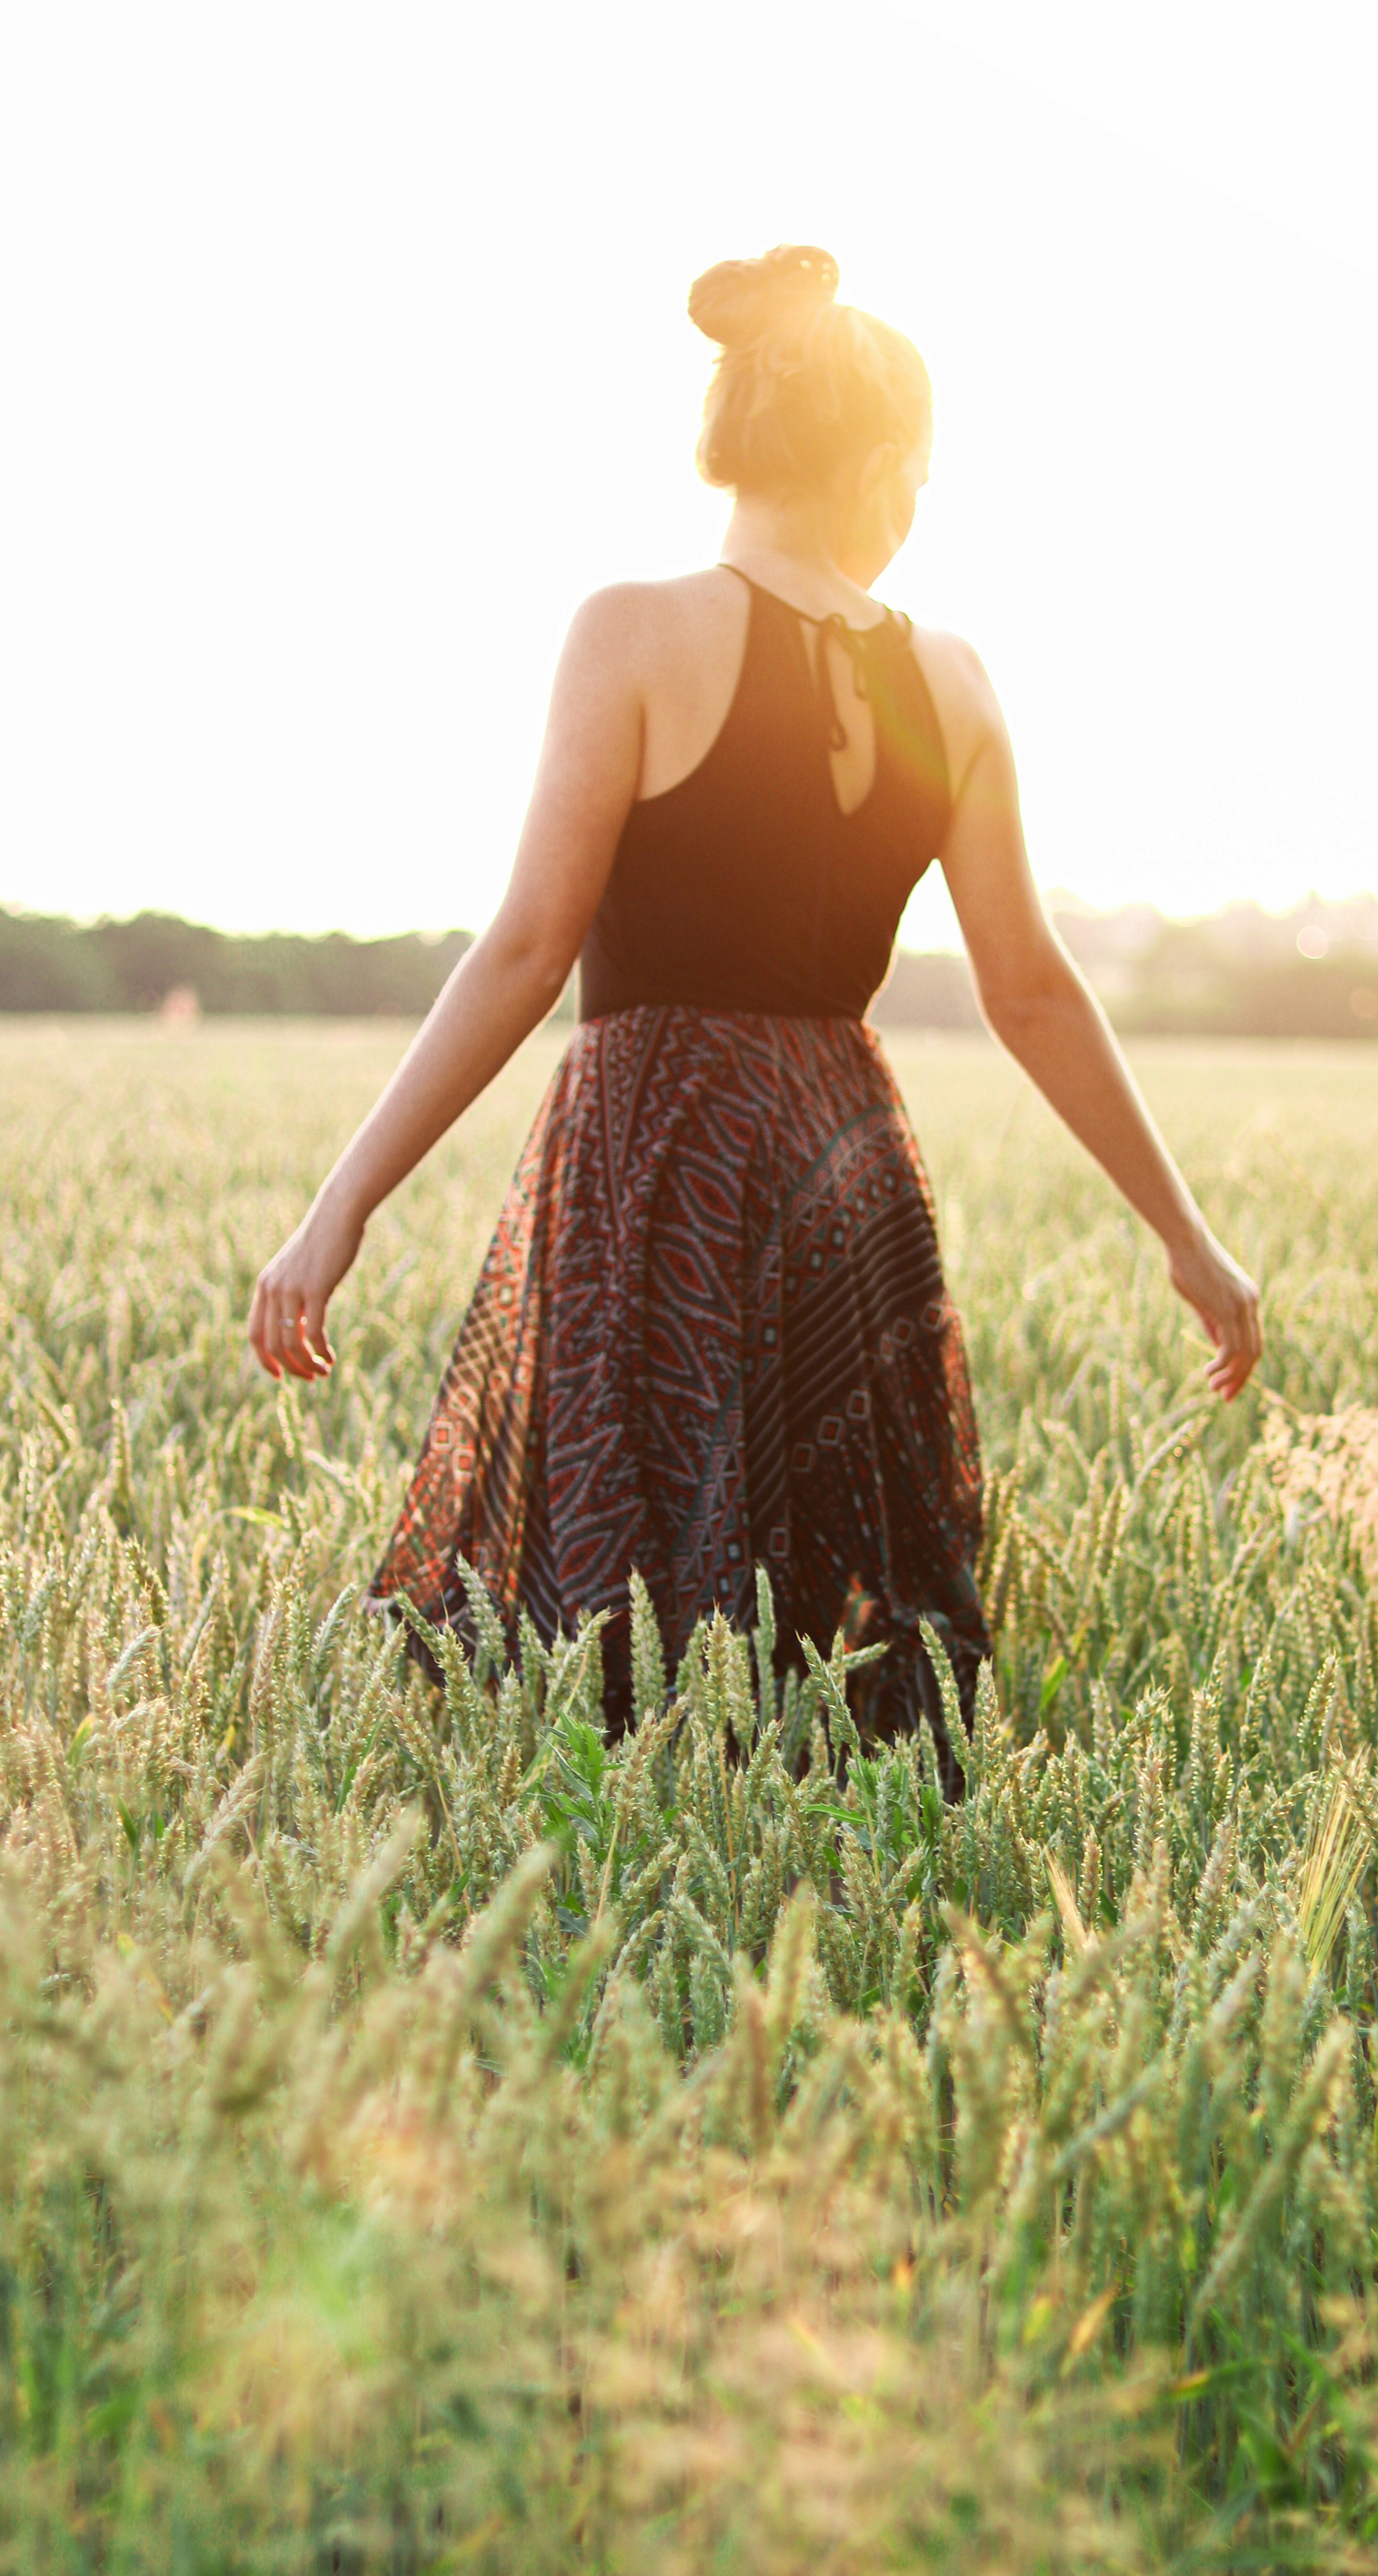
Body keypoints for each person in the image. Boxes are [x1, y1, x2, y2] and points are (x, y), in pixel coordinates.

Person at [247, 244, 1261, 1739]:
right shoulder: (961, 681)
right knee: (840, 1604)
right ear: (887, 464)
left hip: (656, 1155)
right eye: (924, 477)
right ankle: (833, 1901)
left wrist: (341, 1206)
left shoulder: (634, 631)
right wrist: (1191, 1238)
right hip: (845, 1161)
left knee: (630, 1589)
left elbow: (529, 949)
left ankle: (637, 1881)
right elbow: (1033, 989)